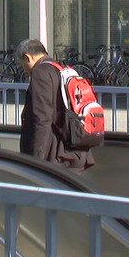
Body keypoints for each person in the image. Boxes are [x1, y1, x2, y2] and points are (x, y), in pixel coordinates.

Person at [17, 38, 94, 174]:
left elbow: (42, 119)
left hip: (55, 157)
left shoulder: (41, 73)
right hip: (74, 151)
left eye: (22, 64)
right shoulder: (63, 69)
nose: (24, 69)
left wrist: (36, 160)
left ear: (27, 57)